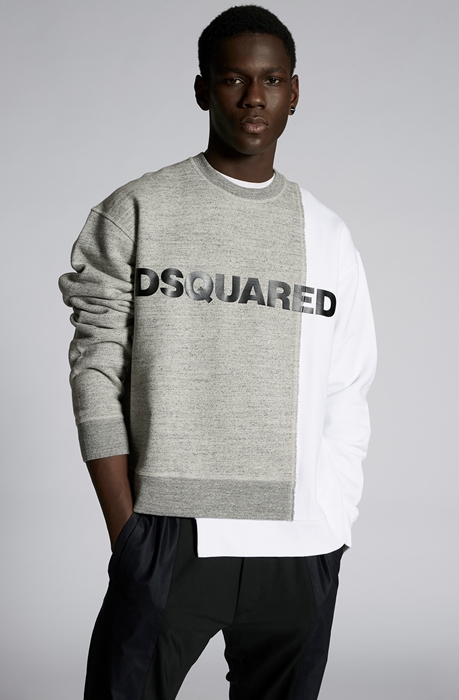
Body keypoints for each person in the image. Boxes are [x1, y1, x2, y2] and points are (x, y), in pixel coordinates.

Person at [59, 5, 377, 699]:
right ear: (203, 89)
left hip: (301, 544)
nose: (254, 97)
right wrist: (128, 529)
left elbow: (348, 388)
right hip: (171, 534)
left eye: (272, 80)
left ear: (295, 92)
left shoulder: (328, 235)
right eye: (234, 79)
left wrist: (335, 525)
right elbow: (96, 370)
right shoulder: (137, 209)